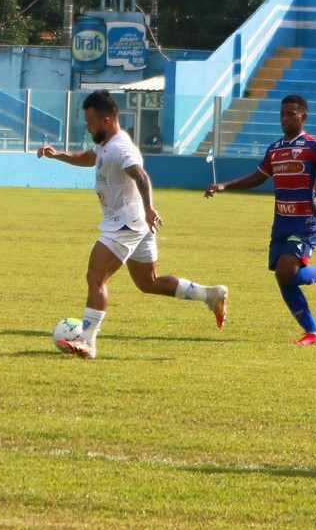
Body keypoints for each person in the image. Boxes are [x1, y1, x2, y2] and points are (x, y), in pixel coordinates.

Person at [37, 90, 227, 359]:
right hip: (135, 222)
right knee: (148, 283)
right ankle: (211, 295)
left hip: (125, 223)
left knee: (96, 276)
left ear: (105, 120)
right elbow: (87, 157)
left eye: (90, 122)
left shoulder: (120, 147)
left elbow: (140, 175)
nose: (88, 127)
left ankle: (87, 341)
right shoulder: (105, 144)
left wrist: (150, 206)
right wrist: (58, 155)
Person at [204, 94, 316, 345]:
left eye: (291, 114)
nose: (285, 119)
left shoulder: (313, 146)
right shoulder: (275, 149)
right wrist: (224, 185)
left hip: (305, 222)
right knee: (283, 277)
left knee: (286, 273)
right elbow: (258, 177)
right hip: (281, 223)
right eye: (282, 114)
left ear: (303, 117)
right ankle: (314, 332)